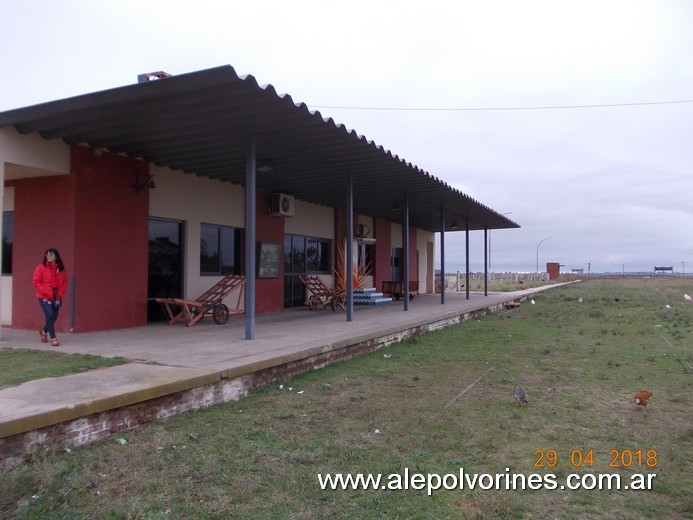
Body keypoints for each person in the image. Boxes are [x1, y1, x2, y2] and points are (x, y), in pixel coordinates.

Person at [33, 248, 68, 347]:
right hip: (44, 297)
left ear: (56, 256)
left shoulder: (61, 269)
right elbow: (36, 282)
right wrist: (45, 292)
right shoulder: (40, 268)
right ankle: (53, 338)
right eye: (47, 255)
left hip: (57, 297)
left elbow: (64, 283)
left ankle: (44, 331)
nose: (48, 256)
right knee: (50, 315)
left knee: (54, 317)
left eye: (51, 254)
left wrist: (61, 293)